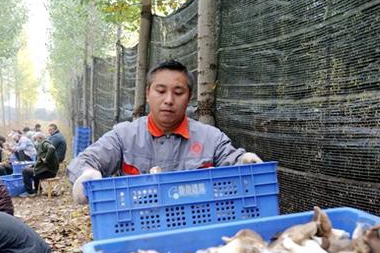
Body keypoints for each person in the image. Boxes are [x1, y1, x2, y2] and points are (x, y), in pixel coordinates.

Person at [67, 60, 263, 204]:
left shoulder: (211, 138)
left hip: (200, 231)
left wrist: (245, 161)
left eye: (178, 93)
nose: (169, 100)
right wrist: (86, 175)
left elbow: (233, 160)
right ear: (147, 93)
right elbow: (84, 161)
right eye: (160, 91)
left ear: (189, 97)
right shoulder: (124, 136)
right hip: (137, 232)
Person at [21, 132, 58, 197]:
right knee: (33, 170)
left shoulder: (44, 143)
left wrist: (46, 159)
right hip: (48, 170)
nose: (35, 141)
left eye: (36, 139)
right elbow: (40, 161)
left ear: (40, 138)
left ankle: (30, 192)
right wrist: (33, 165)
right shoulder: (44, 144)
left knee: (25, 171)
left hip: (49, 172)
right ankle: (37, 190)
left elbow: (52, 148)